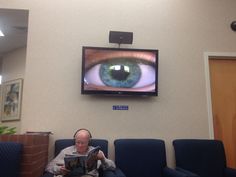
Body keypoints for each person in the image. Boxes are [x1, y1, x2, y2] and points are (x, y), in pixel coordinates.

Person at [45, 128, 116, 177]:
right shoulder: (66, 151)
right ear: (74, 140)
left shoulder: (96, 152)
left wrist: (103, 159)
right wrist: (59, 170)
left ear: (89, 142)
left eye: (83, 143)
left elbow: (113, 167)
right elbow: (48, 167)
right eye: (78, 142)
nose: (80, 145)